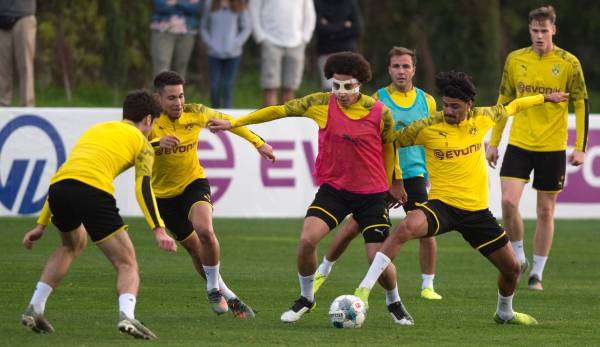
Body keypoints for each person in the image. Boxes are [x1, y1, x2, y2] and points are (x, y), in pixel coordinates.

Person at [208, 52, 415, 324]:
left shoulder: (380, 112)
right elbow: (278, 110)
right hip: (335, 190)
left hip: (372, 195)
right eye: (336, 85)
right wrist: (234, 123)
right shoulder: (319, 103)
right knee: (307, 241)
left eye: (347, 86)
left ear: (359, 85)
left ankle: (394, 302)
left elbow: (390, 146)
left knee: (377, 258)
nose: (341, 92)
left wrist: (396, 181)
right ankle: (307, 298)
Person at [351, 71, 568, 326]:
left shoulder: (483, 117)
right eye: (445, 105)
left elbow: (515, 105)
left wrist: (546, 98)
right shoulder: (427, 126)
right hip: (442, 206)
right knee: (406, 227)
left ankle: (504, 312)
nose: (449, 111)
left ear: (469, 105)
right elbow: (391, 142)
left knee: (512, 269)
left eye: (455, 106)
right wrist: (395, 178)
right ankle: (362, 292)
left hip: (476, 212)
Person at [20, 90, 177, 339]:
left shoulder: (97, 129)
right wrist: (158, 229)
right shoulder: (142, 143)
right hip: (93, 191)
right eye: (154, 124)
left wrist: (41, 224)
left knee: (71, 245)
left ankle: (34, 307)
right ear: (148, 120)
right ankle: (127, 316)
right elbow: (143, 187)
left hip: (59, 189)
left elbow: (66, 172)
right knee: (127, 262)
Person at [313, 47, 442, 302]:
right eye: (396, 66)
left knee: (425, 229)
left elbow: (431, 137)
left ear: (414, 69)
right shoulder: (378, 99)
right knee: (352, 228)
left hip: (414, 173)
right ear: (389, 70)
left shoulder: (427, 101)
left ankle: (428, 285)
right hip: (380, 176)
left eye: (406, 66)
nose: (401, 71)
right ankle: (323, 269)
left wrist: (430, 171)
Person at [150, 71, 275, 318]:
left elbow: (231, 122)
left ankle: (211, 288)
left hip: (193, 183)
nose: (178, 103)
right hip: (163, 197)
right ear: (158, 99)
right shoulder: (149, 122)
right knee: (196, 251)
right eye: (172, 98)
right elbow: (131, 148)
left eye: (181, 96)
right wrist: (155, 144)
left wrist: (258, 143)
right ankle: (227, 294)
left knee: (205, 231)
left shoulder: (195, 112)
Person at [486, 5, 589, 291]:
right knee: (507, 201)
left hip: (552, 146)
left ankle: (537, 274)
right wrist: (494, 141)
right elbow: (504, 99)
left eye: (544, 30)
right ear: (529, 30)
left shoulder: (569, 62)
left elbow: (581, 103)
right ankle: (518, 255)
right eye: (535, 30)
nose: (539, 36)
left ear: (554, 30)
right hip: (520, 141)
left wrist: (580, 146)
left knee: (546, 210)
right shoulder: (515, 59)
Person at [249, 0, 315, 106]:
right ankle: (270, 121)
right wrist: (260, 37)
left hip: (296, 42)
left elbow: (309, 14)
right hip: (270, 41)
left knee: (289, 88)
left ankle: (286, 122)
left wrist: (305, 39)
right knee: (270, 87)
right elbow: (253, 9)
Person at [200, 0, 251, 108]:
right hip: (214, 53)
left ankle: (227, 114)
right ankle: (215, 112)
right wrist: (210, 43)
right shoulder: (210, 4)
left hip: (233, 54)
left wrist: (236, 43)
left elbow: (247, 27)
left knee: (227, 85)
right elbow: (203, 27)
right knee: (214, 86)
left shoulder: (239, 4)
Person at [314, 0, 363, 90]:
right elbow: (318, 29)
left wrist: (330, 29)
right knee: (330, 92)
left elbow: (357, 29)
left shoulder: (350, 3)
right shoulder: (318, 3)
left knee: (350, 91)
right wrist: (343, 25)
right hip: (326, 53)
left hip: (348, 54)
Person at [150, 0, 203, 78]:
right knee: (162, 66)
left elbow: (195, 8)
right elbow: (160, 6)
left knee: (181, 66)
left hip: (187, 31)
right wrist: (184, 6)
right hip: (163, 31)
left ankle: (177, 90)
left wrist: (176, 2)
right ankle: (162, 90)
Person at [0, 0, 36, 106]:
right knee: (2, 69)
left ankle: (27, 107)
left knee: (25, 66)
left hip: (23, 15)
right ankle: (2, 108)